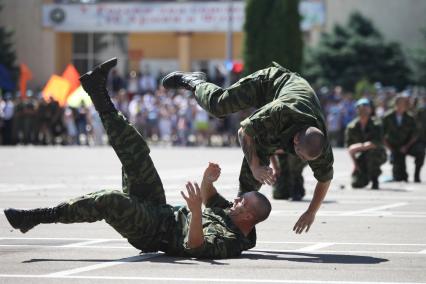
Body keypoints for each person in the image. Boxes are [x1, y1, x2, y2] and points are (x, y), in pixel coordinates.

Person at [4, 58, 271, 259]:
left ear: (248, 215)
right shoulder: (230, 212)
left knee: (108, 200)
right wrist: (207, 180)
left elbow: (195, 246)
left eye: (241, 201)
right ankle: (97, 90)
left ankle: (39, 216)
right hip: (161, 209)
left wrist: (196, 213)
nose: (236, 199)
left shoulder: (233, 242)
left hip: (154, 232)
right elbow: (208, 195)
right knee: (136, 154)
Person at [162, 62, 333, 234]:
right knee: (219, 106)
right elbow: (243, 131)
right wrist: (255, 166)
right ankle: (194, 81)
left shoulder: (319, 143)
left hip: (283, 120)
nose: (301, 160)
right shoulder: (281, 110)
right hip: (268, 84)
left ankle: (235, 223)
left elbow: (324, 179)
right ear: (296, 139)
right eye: (300, 154)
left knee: (253, 175)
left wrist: (311, 212)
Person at [345, 98, 387, 189]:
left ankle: (374, 179)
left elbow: (377, 142)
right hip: (361, 156)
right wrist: (355, 164)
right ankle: (365, 175)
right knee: (356, 183)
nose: (363, 110)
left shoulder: (376, 124)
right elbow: (349, 148)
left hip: (377, 153)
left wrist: (360, 146)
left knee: (372, 153)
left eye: (366, 108)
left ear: (370, 110)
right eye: (360, 108)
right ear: (357, 110)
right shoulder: (351, 127)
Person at [383, 94, 425, 182]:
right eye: (401, 103)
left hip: (407, 145)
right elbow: (381, 134)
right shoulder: (387, 117)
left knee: (420, 151)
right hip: (394, 147)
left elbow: (415, 134)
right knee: (400, 177)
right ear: (396, 104)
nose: (404, 105)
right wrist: (390, 149)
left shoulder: (410, 117)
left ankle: (416, 175)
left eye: (405, 103)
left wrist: (406, 146)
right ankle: (399, 172)